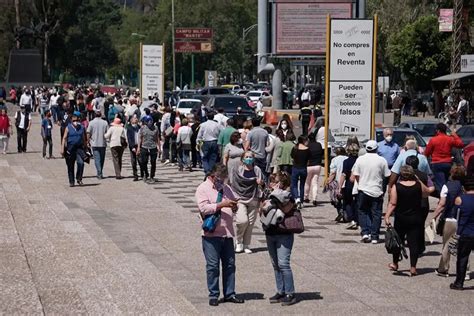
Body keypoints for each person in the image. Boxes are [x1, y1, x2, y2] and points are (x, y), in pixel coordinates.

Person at [195, 164, 244, 306]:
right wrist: (222, 205)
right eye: (219, 178)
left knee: (230, 265)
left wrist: (234, 206)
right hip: (211, 235)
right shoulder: (203, 188)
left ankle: (230, 293)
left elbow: (234, 202)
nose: (221, 181)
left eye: (223, 179)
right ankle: (214, 294)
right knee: (212, 266)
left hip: (227, 233)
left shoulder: (226, 188)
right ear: (212, 176)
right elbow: (203, 208)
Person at [384, 165, 432, 276]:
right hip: (416, 218)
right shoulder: (418, 185)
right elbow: (427, 192)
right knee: (413, 243)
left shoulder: (397, 186)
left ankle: (395, 263)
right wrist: (418, 180)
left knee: (397, 241)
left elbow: (393, 203)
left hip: (401, 218)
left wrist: (387, 216)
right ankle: (413, 267)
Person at [262, 172, 298, 306]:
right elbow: (262, 209)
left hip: (284, 233)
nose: (270, 184)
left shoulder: (288, 197)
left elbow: (286, 209)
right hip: (270, 233)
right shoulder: (268, 194)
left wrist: (276, 195)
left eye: (273, 181)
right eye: (270, 181)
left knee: (283, 264)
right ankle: (280, 290)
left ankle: (290, 293)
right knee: (275, 264)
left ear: (280, 184)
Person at [351, 140, 391, 243]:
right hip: (377, 190)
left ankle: (365, 232)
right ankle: (375, 236)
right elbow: (387, 175)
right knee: (376, 213)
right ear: (377, 148)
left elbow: (356, 174)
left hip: (363, 189)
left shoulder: (360, 159)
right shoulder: (382, 160)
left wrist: (361, 184)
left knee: (363, 211)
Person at [432, 166, 466, 277]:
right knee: (464, 247)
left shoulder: (447, 186)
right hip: (464, 219)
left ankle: (443, 269)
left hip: (450, 219)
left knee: (447, 244)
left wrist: (434, 216)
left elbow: (442, 204)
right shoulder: (465, 187)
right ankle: (466, 271)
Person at [231, 151, 263, 253]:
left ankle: (246, 244)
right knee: (242, 221)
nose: (249, 158)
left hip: (254, 198)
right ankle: (238, 241)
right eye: (247, 157)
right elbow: (234, 183)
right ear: (243, 158)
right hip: (240, 198)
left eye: (250, 157)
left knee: (250, 223)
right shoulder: (238, 170)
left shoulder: (257, 170)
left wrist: (260, 183)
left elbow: (263, 184)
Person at [424, 123, 464, 195]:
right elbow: (460, 144)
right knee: (446, 182)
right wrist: (454, 135)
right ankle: (447, 198)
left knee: (440, 184)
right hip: (447, 163)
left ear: (438, 130)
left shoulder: (433, 140)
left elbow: (426, 153)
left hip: (437, 163)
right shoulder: (450, 139)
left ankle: (443, 200)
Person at [450, 177, 474, 290]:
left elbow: (456, 215)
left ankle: (459, 283)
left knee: (463, 258)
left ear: (464, 188)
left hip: (465, 233)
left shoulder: (460, 199)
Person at [60, 112, 86, 187]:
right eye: (73, 119)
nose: (75, 121)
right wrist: (62, 149)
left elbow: (84, 139)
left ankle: (79, 178)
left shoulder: (82, 127)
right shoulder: (68, 127)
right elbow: (64, 138)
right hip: (70, 148)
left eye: (76, 119)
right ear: (71, 120)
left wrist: (86, 148)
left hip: (79, 148)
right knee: (70, 165)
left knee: (81, 163)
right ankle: (71, 181)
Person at [339, 143, 360, 229]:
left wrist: (340, 186)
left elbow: (344, 174)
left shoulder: (346, 162)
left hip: (349, 184)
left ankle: (352, 219)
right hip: (359, 183)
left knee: (347, 202)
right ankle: (357, 219)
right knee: (357, 202)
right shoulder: (359, 160)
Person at [137, 115, 161, 183]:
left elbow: (157, 138)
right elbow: (140, 138)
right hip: (144, 147)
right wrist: (138, 147)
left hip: (153, 147)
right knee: (144, 162)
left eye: (151, 121)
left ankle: (152, 176)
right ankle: (145, 173)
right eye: (148, 122)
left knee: (153, 162)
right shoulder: (142, 128)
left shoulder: (156, 128)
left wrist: (159, 147)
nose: (150, 123)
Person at [326, 147, 347, 221]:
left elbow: (333, 173)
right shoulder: (347, 158)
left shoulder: (334, 160)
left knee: (336, 199)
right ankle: (346, 214)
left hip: (338, 182)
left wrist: (328, 181)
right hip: (347, 182)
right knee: (346, 199)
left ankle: (340, 212)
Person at [87, 110, 109, 179]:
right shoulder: (105, 122)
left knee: (97, 159)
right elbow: (107, 133)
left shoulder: (91, 122)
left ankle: (99, 172)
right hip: (103, 143)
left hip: (94, 143)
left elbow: (88, 132)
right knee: (102, 159)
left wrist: (88, 141)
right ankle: (100, 172)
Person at [304, 131, 323, 206]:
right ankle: (314, 198)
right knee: (315, 183)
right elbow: (321, 153)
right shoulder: (319, 145)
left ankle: (306, 197)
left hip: (309, 166)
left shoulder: (307, 146)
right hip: (317, 165)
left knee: (307, 182)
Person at [291, 136, 309, 209]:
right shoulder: (307, 150)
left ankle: (297, 198)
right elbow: (308, 160)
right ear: (304, 141)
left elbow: (292, 157)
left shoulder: (295, 148)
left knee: (294, 185)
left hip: (295, 168)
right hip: (303, 168)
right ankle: (301, 201)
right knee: (302, 185)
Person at [126, 116, 142, 181]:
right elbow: (129, 138)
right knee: (133, 161)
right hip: (133, 146)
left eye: (136, 118)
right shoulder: (129, 128)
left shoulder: (139, 127)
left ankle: (142, 173)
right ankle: (135, 175)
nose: (136, 119)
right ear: (131, 120)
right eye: (134, 118)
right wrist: (132, 147)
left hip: (139, 146)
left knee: (140, 160)